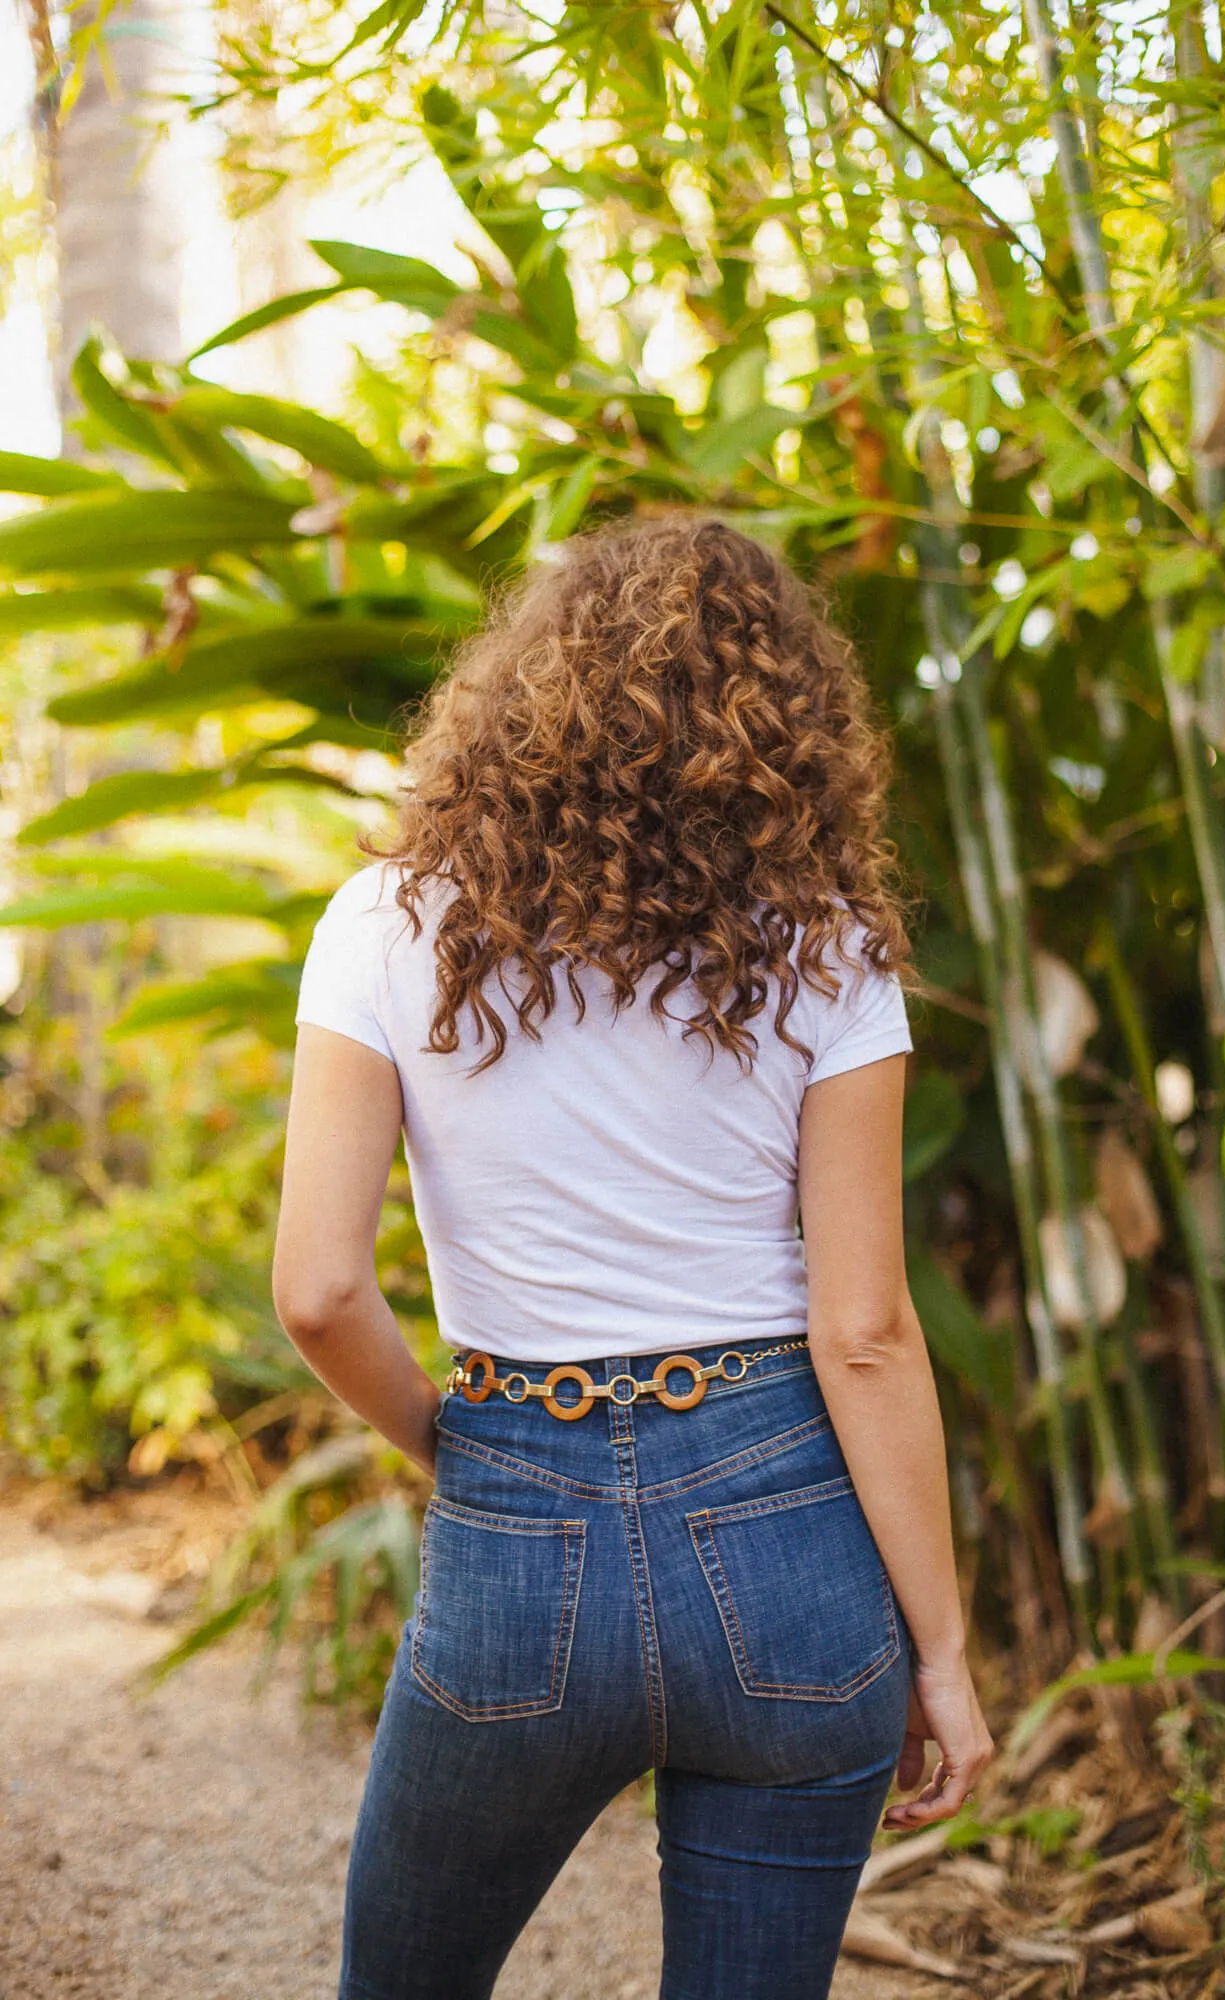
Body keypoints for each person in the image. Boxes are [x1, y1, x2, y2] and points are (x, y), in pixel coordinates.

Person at [273, 515, 992, 2000]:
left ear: (523, 693)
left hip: (517, 1510)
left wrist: (457, 1445)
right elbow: (865, 1331)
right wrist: (942, 1647)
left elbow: (319, 1291)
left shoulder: (385, 926)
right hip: (791, 1531)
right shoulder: (831, 945)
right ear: (788, 719)